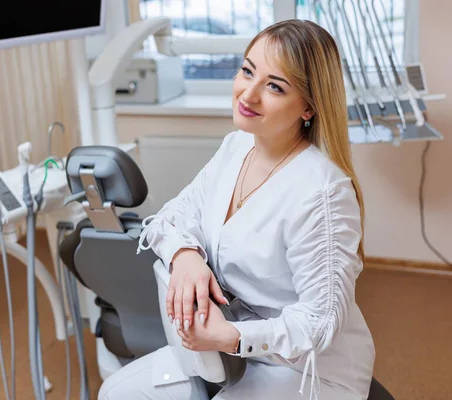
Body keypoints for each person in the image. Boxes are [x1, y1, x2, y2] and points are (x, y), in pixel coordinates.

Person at [99, 19, 375, 400]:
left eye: (275, 86)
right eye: (248, 71)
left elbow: (320, 322)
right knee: (116, 392)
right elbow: (171, 218)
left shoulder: (323, 193)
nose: (249, 93)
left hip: (305, 370)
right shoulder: (236, 147)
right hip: (224, 352)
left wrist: (232, 337)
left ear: (308, 107)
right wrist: (185, 256)